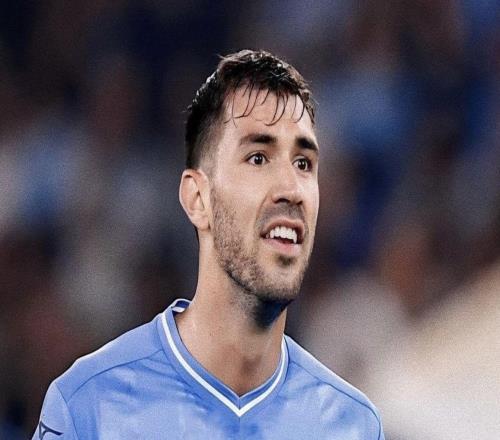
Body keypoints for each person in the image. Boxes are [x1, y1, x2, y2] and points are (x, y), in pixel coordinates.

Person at [33, 49, 385, 439]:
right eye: (258, 157)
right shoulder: (90, 405)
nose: (291, 189)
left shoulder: (352, 424)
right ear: (198, 199)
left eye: (303, 163)